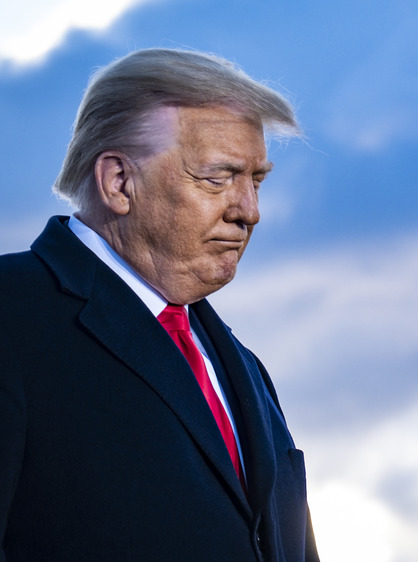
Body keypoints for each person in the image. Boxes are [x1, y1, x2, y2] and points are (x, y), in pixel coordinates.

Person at [0, 48, 320, 561]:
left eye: (256, 180)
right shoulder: (12, 314)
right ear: (118, 182)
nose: (250, 211)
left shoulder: (244, 368)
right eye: (218, 178)